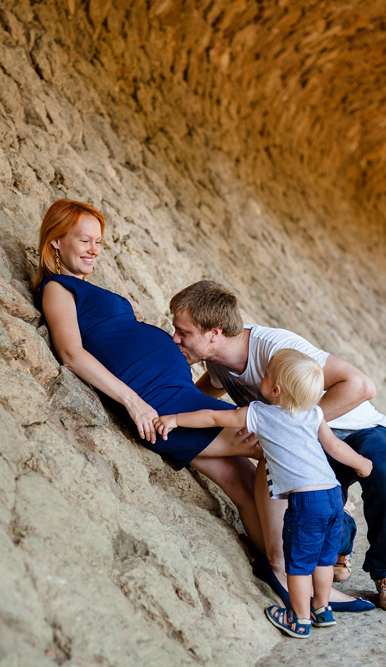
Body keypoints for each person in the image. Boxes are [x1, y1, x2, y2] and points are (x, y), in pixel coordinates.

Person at [32, 199, 265, 556]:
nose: (94, 249)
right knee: (276, 443)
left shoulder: (86, 288)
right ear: (55, 242)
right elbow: (72, 354)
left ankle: (289, 578)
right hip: (162, 403)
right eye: (84, 240)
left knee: (246, 488)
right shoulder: (58, 288)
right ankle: (312, 575)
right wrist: (134, 402)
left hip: (175, 394)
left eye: (98, 242)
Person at [169, 280, 386, 612]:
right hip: (312, 445)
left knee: (383, 473)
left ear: (214, 333)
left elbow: (360, 385)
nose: (175, 338)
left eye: (183, 332)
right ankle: (342, 541)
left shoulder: (274, 349)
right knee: (314, 513)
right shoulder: (218, 362)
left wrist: (292, 426)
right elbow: (202, 398)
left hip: (357, 427)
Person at [154, 349, 374, 638]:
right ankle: (322, 608)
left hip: (306, 501)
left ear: (275, 389)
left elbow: (212, 418)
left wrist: (176, 420)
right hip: (332, 495)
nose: (262, 375)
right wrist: (362, 463)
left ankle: (299, 619)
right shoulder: (314, 413)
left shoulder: (259, 413)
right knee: (323, 560)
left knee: (297, 565)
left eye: (266, 373)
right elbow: (334, 447)